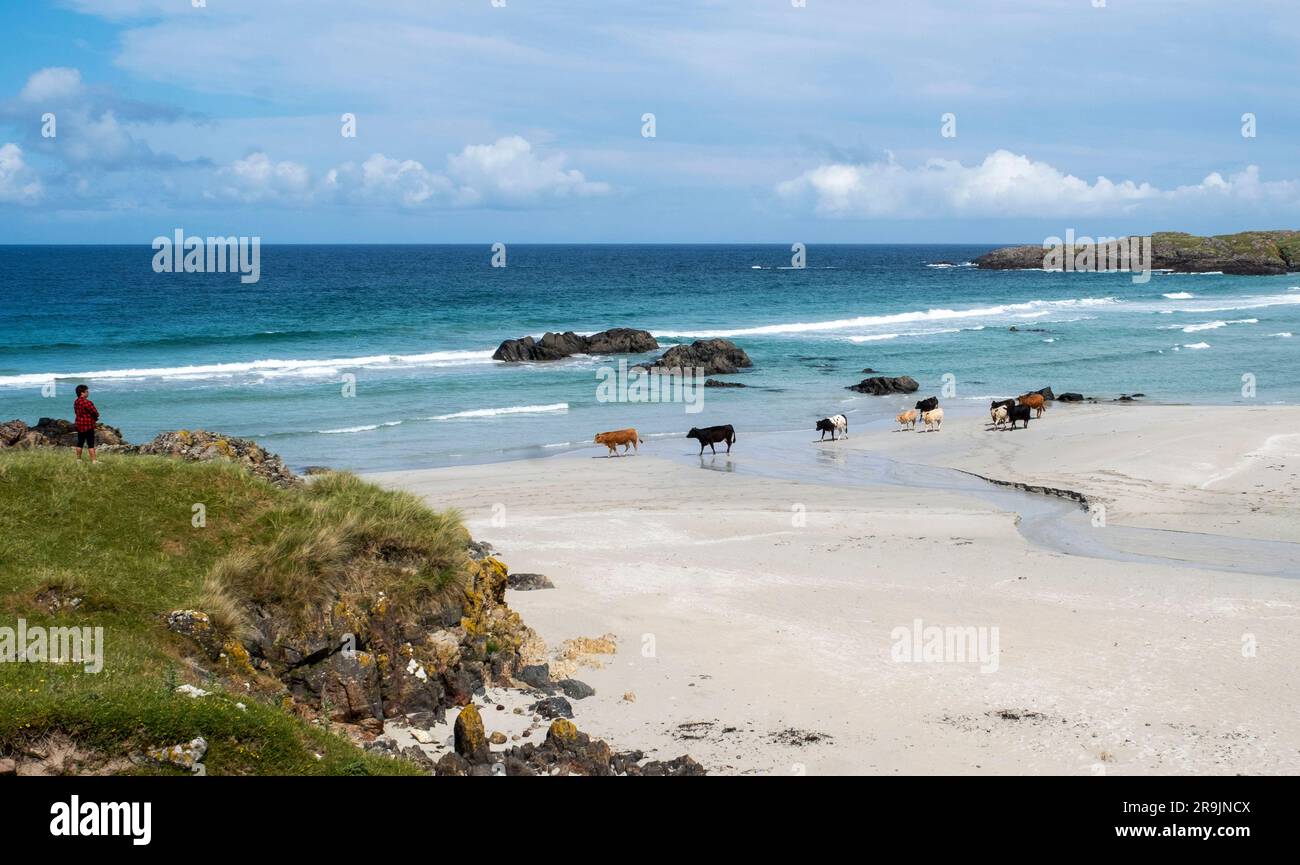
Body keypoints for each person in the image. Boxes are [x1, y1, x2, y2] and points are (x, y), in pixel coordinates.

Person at [73, 384, 99, 463]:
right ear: (82, 393)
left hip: (79, 424)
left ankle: (78, 459)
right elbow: (95, 413)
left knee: (80, 443)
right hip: (88, 425)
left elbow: (76, 412)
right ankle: (94, 461)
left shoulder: (76, 402)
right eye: (86, 392)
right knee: (90, 444)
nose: (88, 393)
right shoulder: (87, 402)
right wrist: (95, 417)